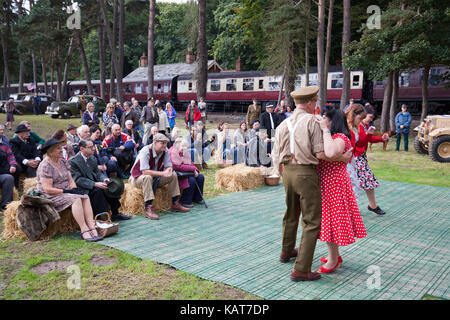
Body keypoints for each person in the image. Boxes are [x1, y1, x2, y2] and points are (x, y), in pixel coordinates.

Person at [271, 85, 352, 282]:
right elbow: (321, 154)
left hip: (287, 172)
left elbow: (275, 153)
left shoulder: (284, 123)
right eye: (314, 101)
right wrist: (342, 158)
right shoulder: (313, 122)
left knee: (291, 213)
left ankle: (286, 251)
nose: (316, 105)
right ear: (309, 102)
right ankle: (301, 269)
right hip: (305, 173)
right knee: (312, 221)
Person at [315, 106, 367, 273]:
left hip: (334, 185)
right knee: (328, 223)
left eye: (325, 118)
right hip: (329, 184)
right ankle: (334, 256)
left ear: (332, 121)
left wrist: (324, 130)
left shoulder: (340, 137)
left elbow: (329, 153)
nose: (322, 120)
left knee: (331, 223)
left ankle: (333, 260)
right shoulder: (335, 136)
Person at [36, 138, 102, 242]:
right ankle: (84, 230)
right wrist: (67, 192)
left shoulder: (62, 161)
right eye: (58, 148)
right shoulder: (45, 166)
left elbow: (70, 179)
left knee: (84, 196)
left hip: (65, 192)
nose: (61, 150)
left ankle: (92, 227)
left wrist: (74, 189)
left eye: (61, 147)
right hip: (51, 195)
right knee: (75, 199)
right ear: (50, 151)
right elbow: (47, 189)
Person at [129, 133, 190, 220]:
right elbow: (145, 171)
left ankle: (174, 202)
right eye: (162, 143)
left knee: (173, 175)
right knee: (147, 177)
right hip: (137, 178)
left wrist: (169, 169)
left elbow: (169, 165)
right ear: (155, 143)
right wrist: (163, 173)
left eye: (165, 143)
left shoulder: (165, 150)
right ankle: (148, 207)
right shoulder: (145, 151)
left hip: (154, 178)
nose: (165, 145)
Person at [69, 139, 131, 221]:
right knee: (98, 190)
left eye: (93, 146)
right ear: (82, 149)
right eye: (90, 147)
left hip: (95, 183)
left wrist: (104, 179)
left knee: (110, 185)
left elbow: (98, 173)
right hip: (83, 187)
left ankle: (115, 213)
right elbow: (78, 180)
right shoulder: (73, 162)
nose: (94, 149)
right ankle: (98, 217)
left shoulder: (92, 158)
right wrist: (94, 184)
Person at [356, 105, 388, 215]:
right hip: (356, 158)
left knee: (368, 182)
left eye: (372, 118)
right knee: (363, 182)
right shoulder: (358, 126)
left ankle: (372, 205)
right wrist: (368, 134)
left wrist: (381, 139)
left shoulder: (364, 125)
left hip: (360, 157)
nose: (370, 119)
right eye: (370, 117)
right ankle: (370, 206)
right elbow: (360, 142)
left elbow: (368, 139)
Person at [345, 104, 375, 201]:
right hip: (347, 161)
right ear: (353, 115)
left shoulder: (355, 128)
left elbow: (361, 142)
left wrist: (369, 134)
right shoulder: (346, 128)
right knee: (353, 187)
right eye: (360, 118)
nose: (360, 120)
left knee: (354, 187)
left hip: (352, 160)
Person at [169, 138, 205, 208]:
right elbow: (177, 166)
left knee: (200, 177)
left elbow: (190, 162)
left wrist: (196, 170)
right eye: (183, 146)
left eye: (186, 146)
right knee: (191, 180)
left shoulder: (184, 152)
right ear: (177, 145)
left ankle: (197, 198)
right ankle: (185, 201)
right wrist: (193, 169)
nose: (184, 148)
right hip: (175, 173)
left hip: (186, 172)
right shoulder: (172, 152)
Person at [10, 124, 42, 188]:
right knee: (17, 168)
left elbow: (35, 150)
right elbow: (16, 155)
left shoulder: (31, 139)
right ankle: (16, 187)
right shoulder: (13, 142)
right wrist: (27, 162)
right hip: (20, 162)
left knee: (37, 165)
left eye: (28, 132)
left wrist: (37, 159)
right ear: (19, 134)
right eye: (25, 132)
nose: (28, 134)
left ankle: (36, 186)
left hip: (32, 160)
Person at [0, 130, 17, 210]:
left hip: (1, 173)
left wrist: (13, 165)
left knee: (9, 178)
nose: (2, 131)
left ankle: (5, 205)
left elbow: (11, 157)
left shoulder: (4, 146)